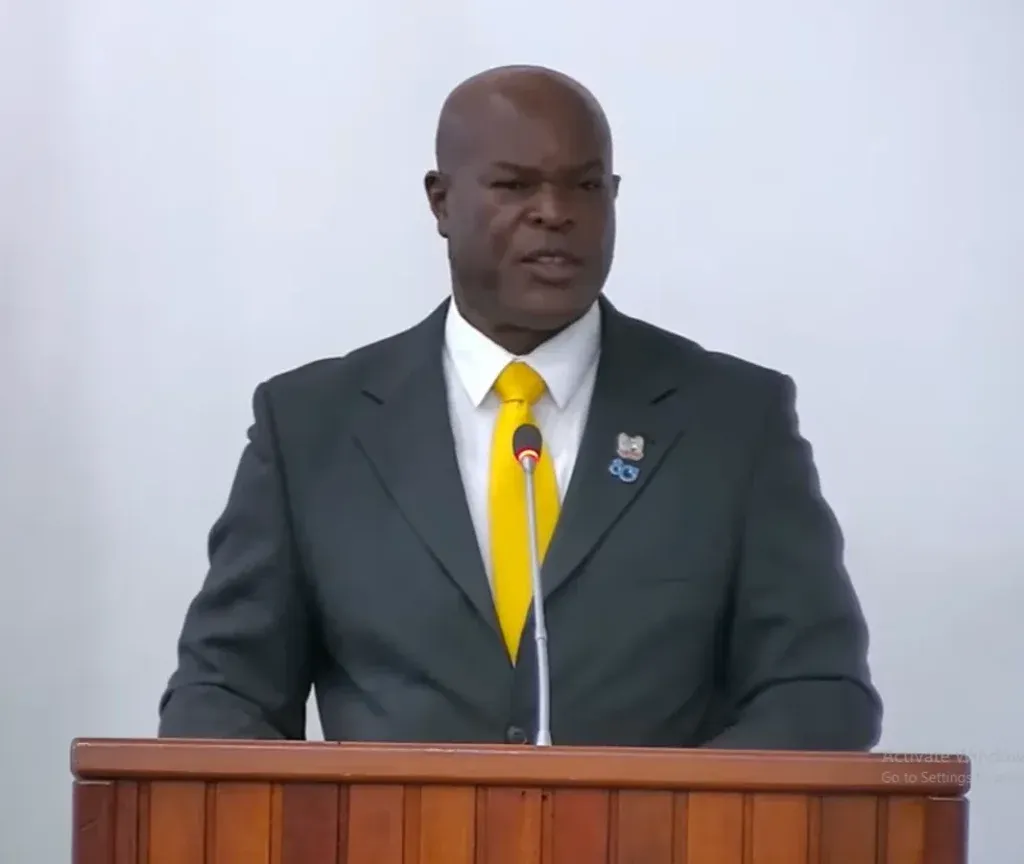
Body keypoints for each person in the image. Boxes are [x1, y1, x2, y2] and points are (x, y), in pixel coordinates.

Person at [158, 64, 882, 749]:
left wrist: (671, 818)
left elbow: (818, 693)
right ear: (441, 202)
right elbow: (221, 696)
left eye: (585, 186)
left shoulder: (734, 421)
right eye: (514, 185)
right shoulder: (311, 427)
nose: (555, 214)